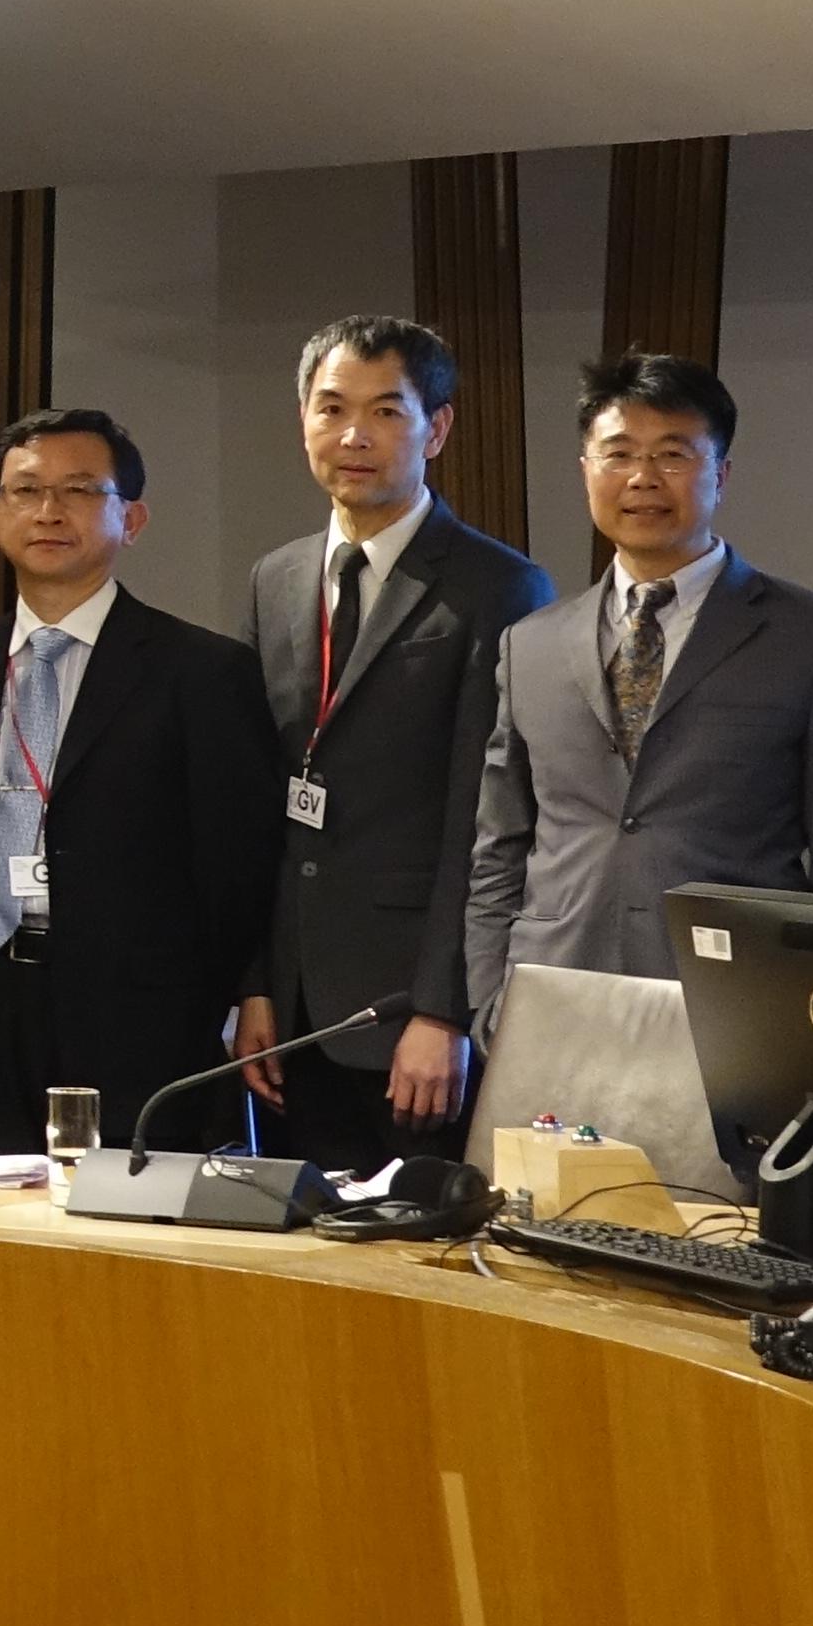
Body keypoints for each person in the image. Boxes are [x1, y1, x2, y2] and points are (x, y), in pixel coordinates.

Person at [462, 352, 813, 1008]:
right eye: (617, 453)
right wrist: (489, 1001)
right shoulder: (531, 645)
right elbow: (499, 848)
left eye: (672, 455)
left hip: (738, 1008)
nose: (642, 478)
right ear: (586, 471)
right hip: (554, 1002)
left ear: (721, 474)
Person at [245, 315, 553, 1165]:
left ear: (437, 429)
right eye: (331, 408)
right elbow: (260, 796)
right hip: (293, 1006)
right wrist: (257, 986)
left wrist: (444, 1009)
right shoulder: (276, 578)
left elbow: (485, 818)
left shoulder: (498, 585)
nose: (353, 436)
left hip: (408, 1014)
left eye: (385, 412)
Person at [0, 410, 283, 1157]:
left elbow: (242, 859)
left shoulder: (201, 672)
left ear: (133, 518)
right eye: (26, 491)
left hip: (140, 1022)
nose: (50, 511)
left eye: (81, 491)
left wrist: (247, 989)